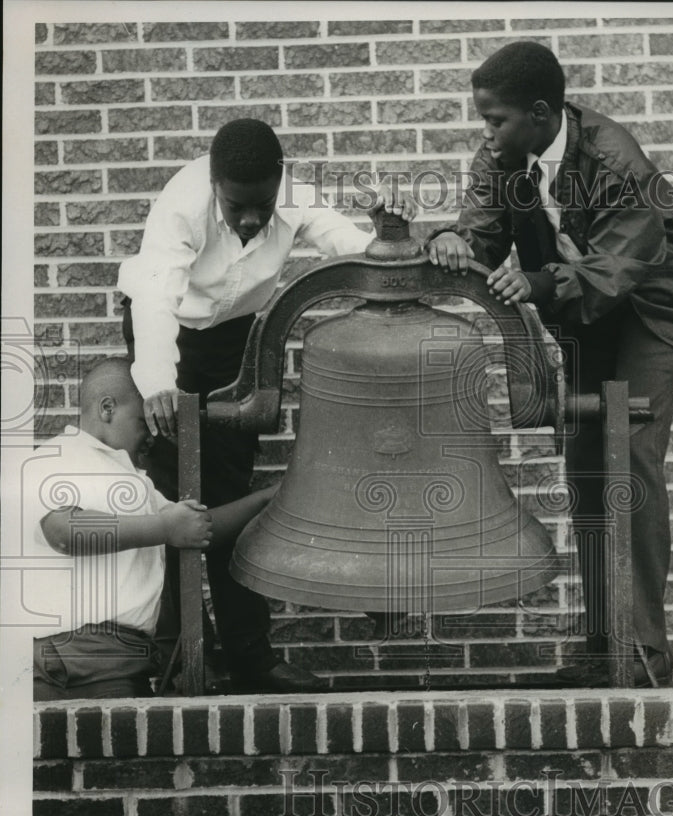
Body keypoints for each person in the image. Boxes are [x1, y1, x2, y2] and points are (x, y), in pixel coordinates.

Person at [118, 117, 416, 694]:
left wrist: (390, 237)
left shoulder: (297, 197)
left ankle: (252, 660)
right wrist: (157, 384)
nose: (251, 219)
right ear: (213, 186)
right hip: (165, 338)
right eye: (236, 208)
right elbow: (154, 300)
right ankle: (182, 656)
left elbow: (351, 250)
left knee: (229, 500)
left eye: (262, 205)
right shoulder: (180, 206)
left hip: (231, 342)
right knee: (166, 498)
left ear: (280, 182)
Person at [426, 41, 673, 687]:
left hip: (647, 311)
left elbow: (620, 264)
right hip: (582, 315)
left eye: (495, 120)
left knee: (628, 460)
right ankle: (601, 645)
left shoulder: (612, 156)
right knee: (587, 471)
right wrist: (451, 238)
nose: (486, 134)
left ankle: (645, 653)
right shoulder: (502, 156)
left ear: (541, 113)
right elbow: (482, 231)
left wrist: (543, 283)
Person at [29, 358, 275, 701]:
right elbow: (63, 531)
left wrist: (268, 500)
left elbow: (197, 528)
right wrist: (164, 527)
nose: (152, 436)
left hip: (118, 658)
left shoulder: (137, 483)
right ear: (107, 408)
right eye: (144, 422)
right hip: (57, 652)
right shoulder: (56, 457)